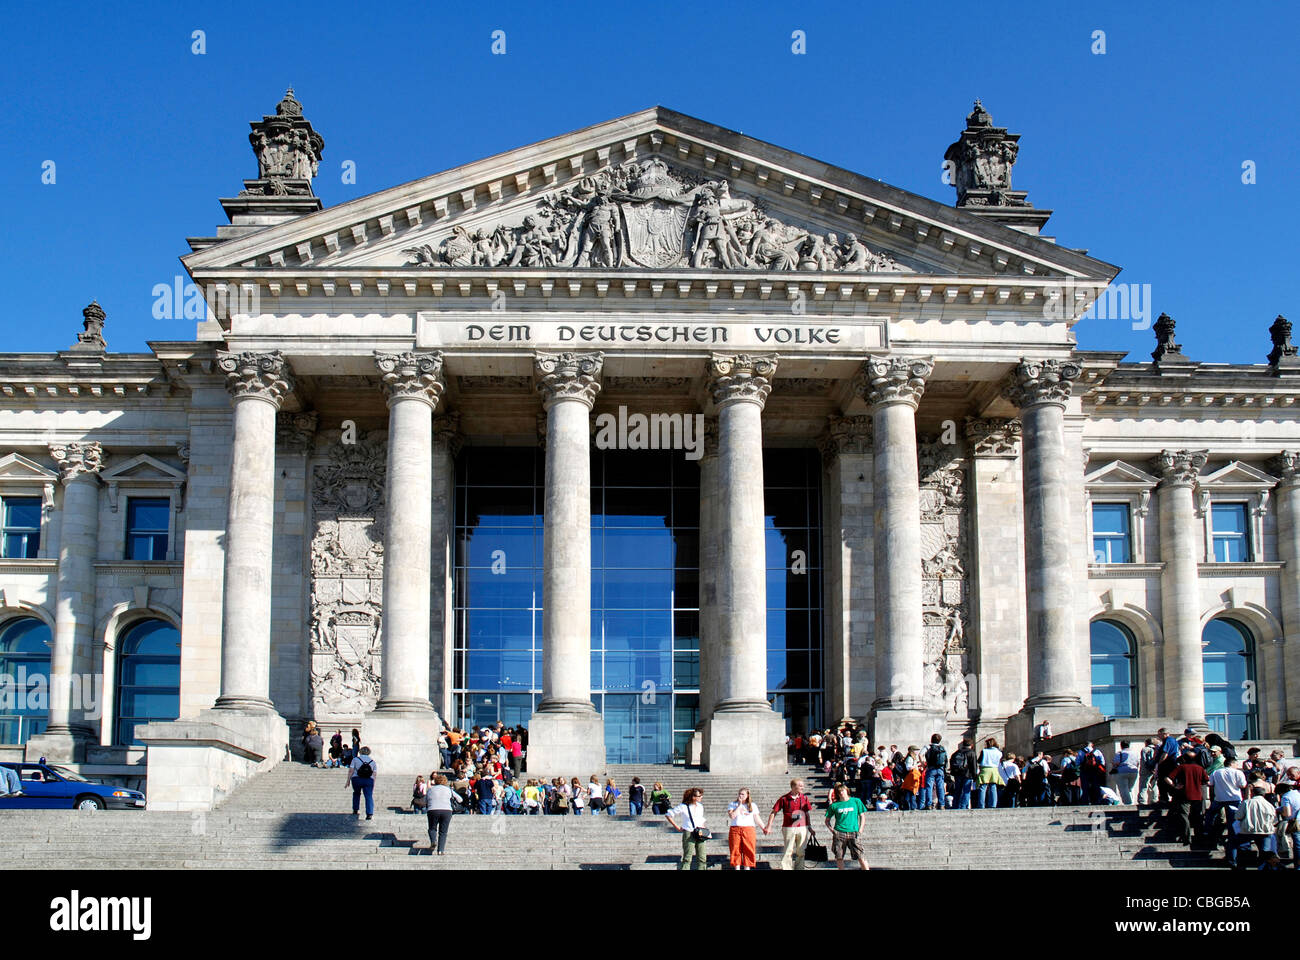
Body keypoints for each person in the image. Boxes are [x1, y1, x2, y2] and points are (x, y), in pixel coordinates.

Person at [765, 779, 812, 870]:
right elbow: (773, 812)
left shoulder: (804, 798)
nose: (803, 787)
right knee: (788, 851)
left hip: (802, 827)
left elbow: (807, 813)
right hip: (788, 827)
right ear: (794, 786)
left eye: (803, 785)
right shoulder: (784, 798)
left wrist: (809, 827)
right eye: (800, 786)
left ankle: (800, 868)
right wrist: (769, 826)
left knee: (801, 851)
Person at [1166, 747, 1208, 845]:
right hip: (1198, 795)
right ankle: (1199, 836)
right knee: (1198, 817)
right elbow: (1205, 780)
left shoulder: (1181, 767)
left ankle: (1186, 837)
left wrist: (1175, 786)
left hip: (1184, 795)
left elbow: (1168, 778)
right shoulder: (1200, 768)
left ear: (1184, 759)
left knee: (1184, 816)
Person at [1205, 756, 1247, 848]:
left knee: (1212, 815)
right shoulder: (1238, 772)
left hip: (1219, 798)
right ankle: (1232, 837)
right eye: (1236, 764)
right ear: (1232, 764)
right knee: (1233, 821)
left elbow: (1210, 783)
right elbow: (1243, 785)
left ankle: (1209, 832)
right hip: (1234, 799)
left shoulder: (1216, 772)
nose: (1237, 766)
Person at [1231, 785, 1277, 869]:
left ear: (1252, 793)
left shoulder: (1246, 803)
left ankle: (1241, 867)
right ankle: (1263, 867)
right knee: (1265, 852)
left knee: (1243, 851)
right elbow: (1274, 820)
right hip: (1265, 832)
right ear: (1264, 794)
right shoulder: (1269, 805)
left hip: (1247, 831)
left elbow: (1238, 816)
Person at [825, 784, 869, 870]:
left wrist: (860, 829)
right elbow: (827, 821)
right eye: (839, 791)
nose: (841, 793)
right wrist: (833, 831)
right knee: (839, 856)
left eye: (843, 790)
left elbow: (862, 816)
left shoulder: (856, 801)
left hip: (854, 831)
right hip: (839, 832)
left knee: (860, 855)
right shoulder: (834, 805)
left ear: (847, 791)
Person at [665, 787, 709, 871]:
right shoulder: (683, 806)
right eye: (699, 796)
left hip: (700, 832)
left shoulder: (700, 806)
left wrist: (704, 829)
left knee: (702, 857)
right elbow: (668, 814)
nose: (701, 797)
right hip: (689, 832)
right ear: (693, 797)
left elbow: (701, 818)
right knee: (687, 857)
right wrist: (677, 827)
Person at [726, 788, 761, 870]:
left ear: (747, 795)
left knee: (748, 849)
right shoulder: (732, 804)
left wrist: (764, 827)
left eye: (743, 794)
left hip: (748, 829)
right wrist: (739, 805)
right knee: (735, 849)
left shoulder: (753, 805)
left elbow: (757, 818)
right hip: (735, 828)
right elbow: (732, 816)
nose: (740, 796)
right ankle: (737, 868)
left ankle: (747, 868)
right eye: (739, 794)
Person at [426, 773, 455, 854]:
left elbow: (426, 800)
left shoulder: (431, 789)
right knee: (443, 832)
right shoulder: (448, 789)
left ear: (435, 781)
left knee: (432, 828)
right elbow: (460, 799)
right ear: (445, 781)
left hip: (433, 810)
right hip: (447, 810)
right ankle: (440, 850)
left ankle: (433, 841)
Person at [348, 747, 377, 820]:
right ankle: (369, 814)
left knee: (356, 793)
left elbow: (351, 770)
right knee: (368, 796)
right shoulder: (372, 761)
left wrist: (348, 780)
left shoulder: (355, 759)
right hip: (368, 780)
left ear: (360, 752)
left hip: (356, 779)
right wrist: (373, 782)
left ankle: (355, 809)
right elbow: (374, 773)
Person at [976, 738, 1003, 809]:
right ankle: (993, 804)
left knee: (983, 787)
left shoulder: (984, 751)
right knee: (993, 787)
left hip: (985, 769)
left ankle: (981, 805)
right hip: (994, 769)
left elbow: (979, 761)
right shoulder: (999, 752)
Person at [950, 739, 976, 809]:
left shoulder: (956, 752)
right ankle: (963, 806)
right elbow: (973, 765)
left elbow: (952, 762)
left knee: (957, 791)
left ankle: (955, 805)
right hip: (967, 774)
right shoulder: (971, 753)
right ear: (971, 745)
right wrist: (974, 775)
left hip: (958, 774)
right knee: (966, 791)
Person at [924, 734, 947, 811]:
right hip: (940, 769)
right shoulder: (942, 748)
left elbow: (922, 755)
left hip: (931, 769)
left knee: (929, 787)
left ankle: (929, 804)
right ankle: (942, 804)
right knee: (940, 787)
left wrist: (925, 765)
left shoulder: (929, 748)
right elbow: (946, 759)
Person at [1136, 738, 1160, 805]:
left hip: (1145, 770)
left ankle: (1142, 800)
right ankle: (1154, 799)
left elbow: (1144, 759)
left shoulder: (1145, 749)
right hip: (1155, 770)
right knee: (1154, 785)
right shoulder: (1156, 749)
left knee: (1143, 785)